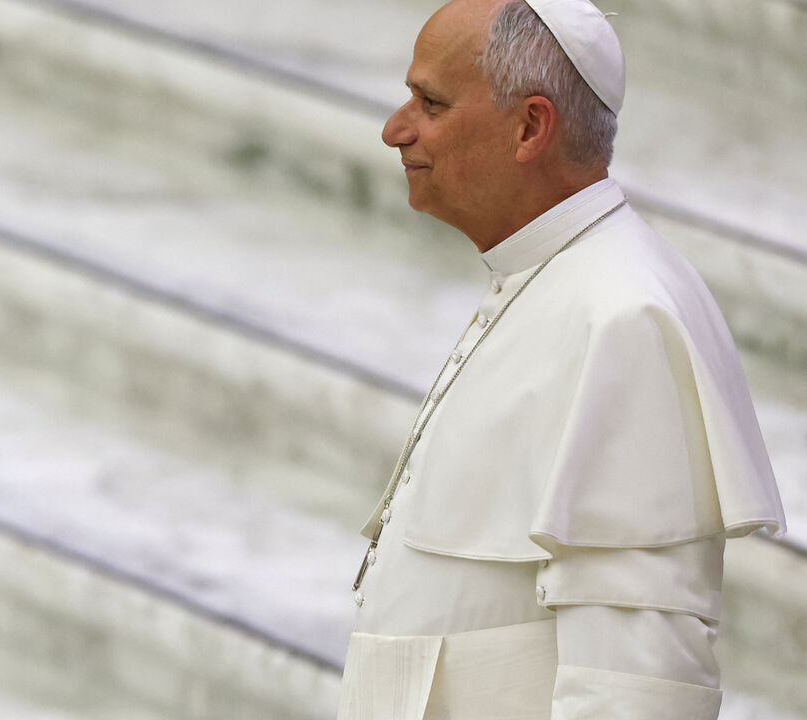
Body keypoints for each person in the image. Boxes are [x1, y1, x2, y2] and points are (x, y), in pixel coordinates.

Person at [337, 0, 787, 718]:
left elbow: (638, 683)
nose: (396, 129)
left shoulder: (625, 318)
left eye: (430, 102)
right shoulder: (550, 279)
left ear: (529, 127)